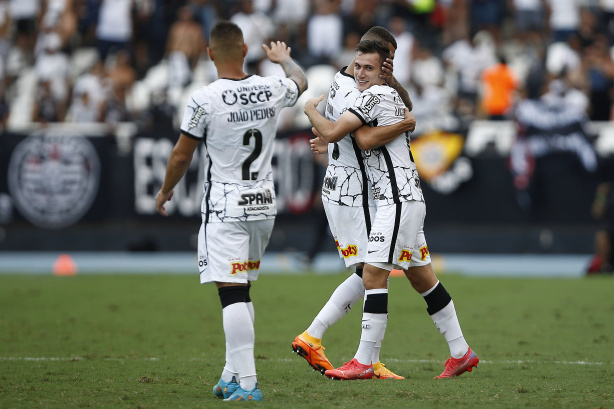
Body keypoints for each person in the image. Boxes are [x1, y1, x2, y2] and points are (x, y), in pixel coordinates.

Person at [304, 39, 478, 380]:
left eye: (369, 67)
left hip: (396, 199)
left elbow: (363, 139)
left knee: (371, 274)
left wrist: (309, 109)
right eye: (359, 66)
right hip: (401, 198)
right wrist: (401, 121)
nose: (361, 73)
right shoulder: (388, 92)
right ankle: (461, 352)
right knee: (422, 276)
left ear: (385, 66)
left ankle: (365, 361)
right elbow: (378, 124)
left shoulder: (376, 94)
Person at [155, 21, 307, 402]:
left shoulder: (203, 98)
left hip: (226, 205)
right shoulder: (270, 87)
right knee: (241, 288)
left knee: (231, 293)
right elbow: (301, 82)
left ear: (209, 55)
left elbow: (181, 154)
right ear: (244, 50)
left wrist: (165, 189)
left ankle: (249, 384)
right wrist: (284, 60)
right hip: (263, 205)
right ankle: (230, 374)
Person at [292, 26, 416, 380]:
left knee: (368, 272)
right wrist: (313, 117)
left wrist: (327, 141)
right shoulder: (358, 89)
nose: (387, 68)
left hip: (343, 183)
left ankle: (332, 344)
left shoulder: (342, 79)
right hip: (354, 189)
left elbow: (335, 133)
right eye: (385, 61)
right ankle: (325, 341)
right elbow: (353, 134)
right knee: (371, 272)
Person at [587, 182, 614, 274]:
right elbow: (597, 213)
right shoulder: (608, 191)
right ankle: (605, 267)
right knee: (601, 236)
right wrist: (601, 195)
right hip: (611, 231)